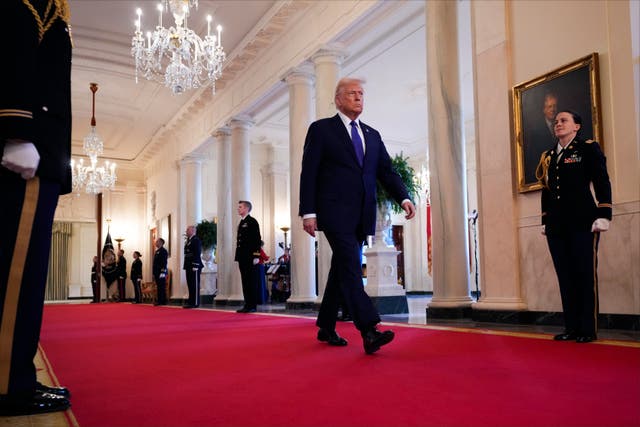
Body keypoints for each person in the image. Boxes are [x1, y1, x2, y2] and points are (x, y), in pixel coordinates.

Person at [299, 77, 416, 354]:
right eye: (352, 93)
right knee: (351, 265)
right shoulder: (321, 130)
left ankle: (326, 325)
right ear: (338, 99)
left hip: (362, 214)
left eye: (361, 93)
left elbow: (386, 171)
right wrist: (308, 212)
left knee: (342, 267)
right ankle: (369, 329)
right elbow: (309, 172)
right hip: (334, 210)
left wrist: (404, 196)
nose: (358, 98)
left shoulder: (372, 135)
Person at [0, 0, 73, 416]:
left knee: (27, 276)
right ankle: (9, 385)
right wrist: (16, 129)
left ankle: (17, 376)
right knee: (16, 276)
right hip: (30, 147)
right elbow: (11, 44)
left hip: (42, 151)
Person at [537, 110, 612, 343]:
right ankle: (571, 327)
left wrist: (605, 213)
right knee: (565, 276)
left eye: (564, 121)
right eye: (557, 121)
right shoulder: (549, 155)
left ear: (576, 126)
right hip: (557, 226)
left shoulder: (587, 149)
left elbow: (601, 179)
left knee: (584, 275)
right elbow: (547, 190)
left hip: (583, 222)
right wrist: (545, 219)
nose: (558, 124)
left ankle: (587, 330)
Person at [524, 92, 558, 183]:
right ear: (544, 110)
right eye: (549, 107)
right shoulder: (536, 131)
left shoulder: (562, 125)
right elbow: (533, 160)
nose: (553, 109)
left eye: (554, 106)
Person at [234, 200, 262, 313]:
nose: (238, 209)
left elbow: (257, 240)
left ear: (246, 209)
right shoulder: (242, 222)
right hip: (242, 257)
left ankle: (252, 305)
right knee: (245, 281)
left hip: (250, 257)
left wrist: (256, 256)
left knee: (251, 281)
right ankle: (247, 304)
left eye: (240, 207)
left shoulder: (252, 221)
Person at [183, 225, 203, 308]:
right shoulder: (189, 241)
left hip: (194, 265)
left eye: (188, 230)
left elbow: (197, 253)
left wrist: (195, 264)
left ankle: (195, 302)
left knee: (194, 285)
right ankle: (190, 302)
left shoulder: (196, 240)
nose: (186, 231)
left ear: (193, 231)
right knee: (190, 284)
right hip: (188, 265)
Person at [153, 238, 169, 306]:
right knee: (159, 286)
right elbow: (155, 263)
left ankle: (163, 301)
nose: (156, 243)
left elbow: (164, 262)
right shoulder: (157, 251)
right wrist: (153, 273)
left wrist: (163, 272)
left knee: (162, 286)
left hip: (161, 271)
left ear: (161, 243)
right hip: (156, 272)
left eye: (157, 241)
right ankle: (160, 300)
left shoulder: (163, 251)